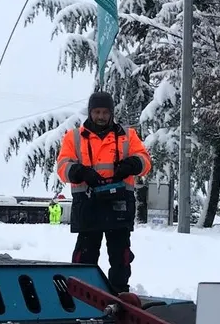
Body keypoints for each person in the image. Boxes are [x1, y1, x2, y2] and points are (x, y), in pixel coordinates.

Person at [56, 91, 151, 293]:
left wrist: (132, 164)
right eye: (97, 112)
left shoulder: (127, 136)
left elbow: (145, 161)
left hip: (119, 204)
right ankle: (82, 293)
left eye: (105, 112)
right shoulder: (74, 137)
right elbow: (62, 166)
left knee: (121, 256)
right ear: (90, 112)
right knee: (85, 256)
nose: (101, 116)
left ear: (112, 113)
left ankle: (120, 294)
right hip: (88, 204)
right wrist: (80, 172)